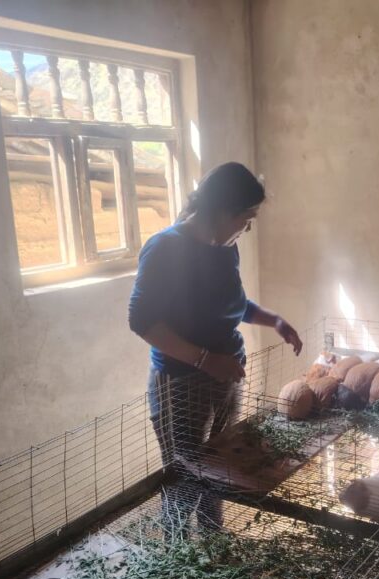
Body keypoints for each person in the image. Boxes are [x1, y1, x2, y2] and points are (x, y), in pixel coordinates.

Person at [128, 162, 302, 534]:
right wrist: (206, 360)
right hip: (181, 383)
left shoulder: (224, 248)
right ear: (223, 211)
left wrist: (273, 320)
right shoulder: (166, 248)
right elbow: (142, 320)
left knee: (220, 466)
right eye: (246, 218)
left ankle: (212, 540)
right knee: (185, 475)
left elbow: (232, 305)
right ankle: (176, 552)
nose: (247, 228)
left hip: (225, 377)